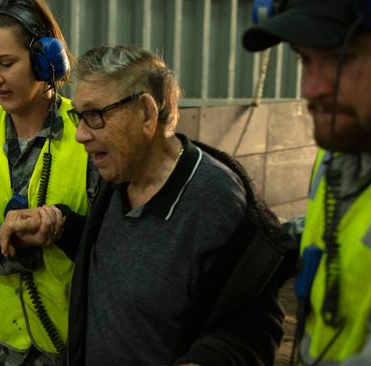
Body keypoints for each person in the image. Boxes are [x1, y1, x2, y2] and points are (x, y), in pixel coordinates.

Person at [55, 45, 293, 365]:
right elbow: (127, 256)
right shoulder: (113, 177)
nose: (80, 135)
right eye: (78, 117)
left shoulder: (215, 199)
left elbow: (256, 324)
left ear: (146, 113)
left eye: (95, 116)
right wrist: (60, 226)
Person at [243, 0, 371, 364]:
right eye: (305, 60)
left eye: (342, 58)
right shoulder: (344, 145)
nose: (311, 88)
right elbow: (339, 230)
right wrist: (263, 240)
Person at [0, 0, 96, 364]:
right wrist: (3, 238)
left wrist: (62, 228)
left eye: (6, 64)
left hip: (73, 344)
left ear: (46, 61)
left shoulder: (88, 132)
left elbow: (116, 244)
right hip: (2, 346)